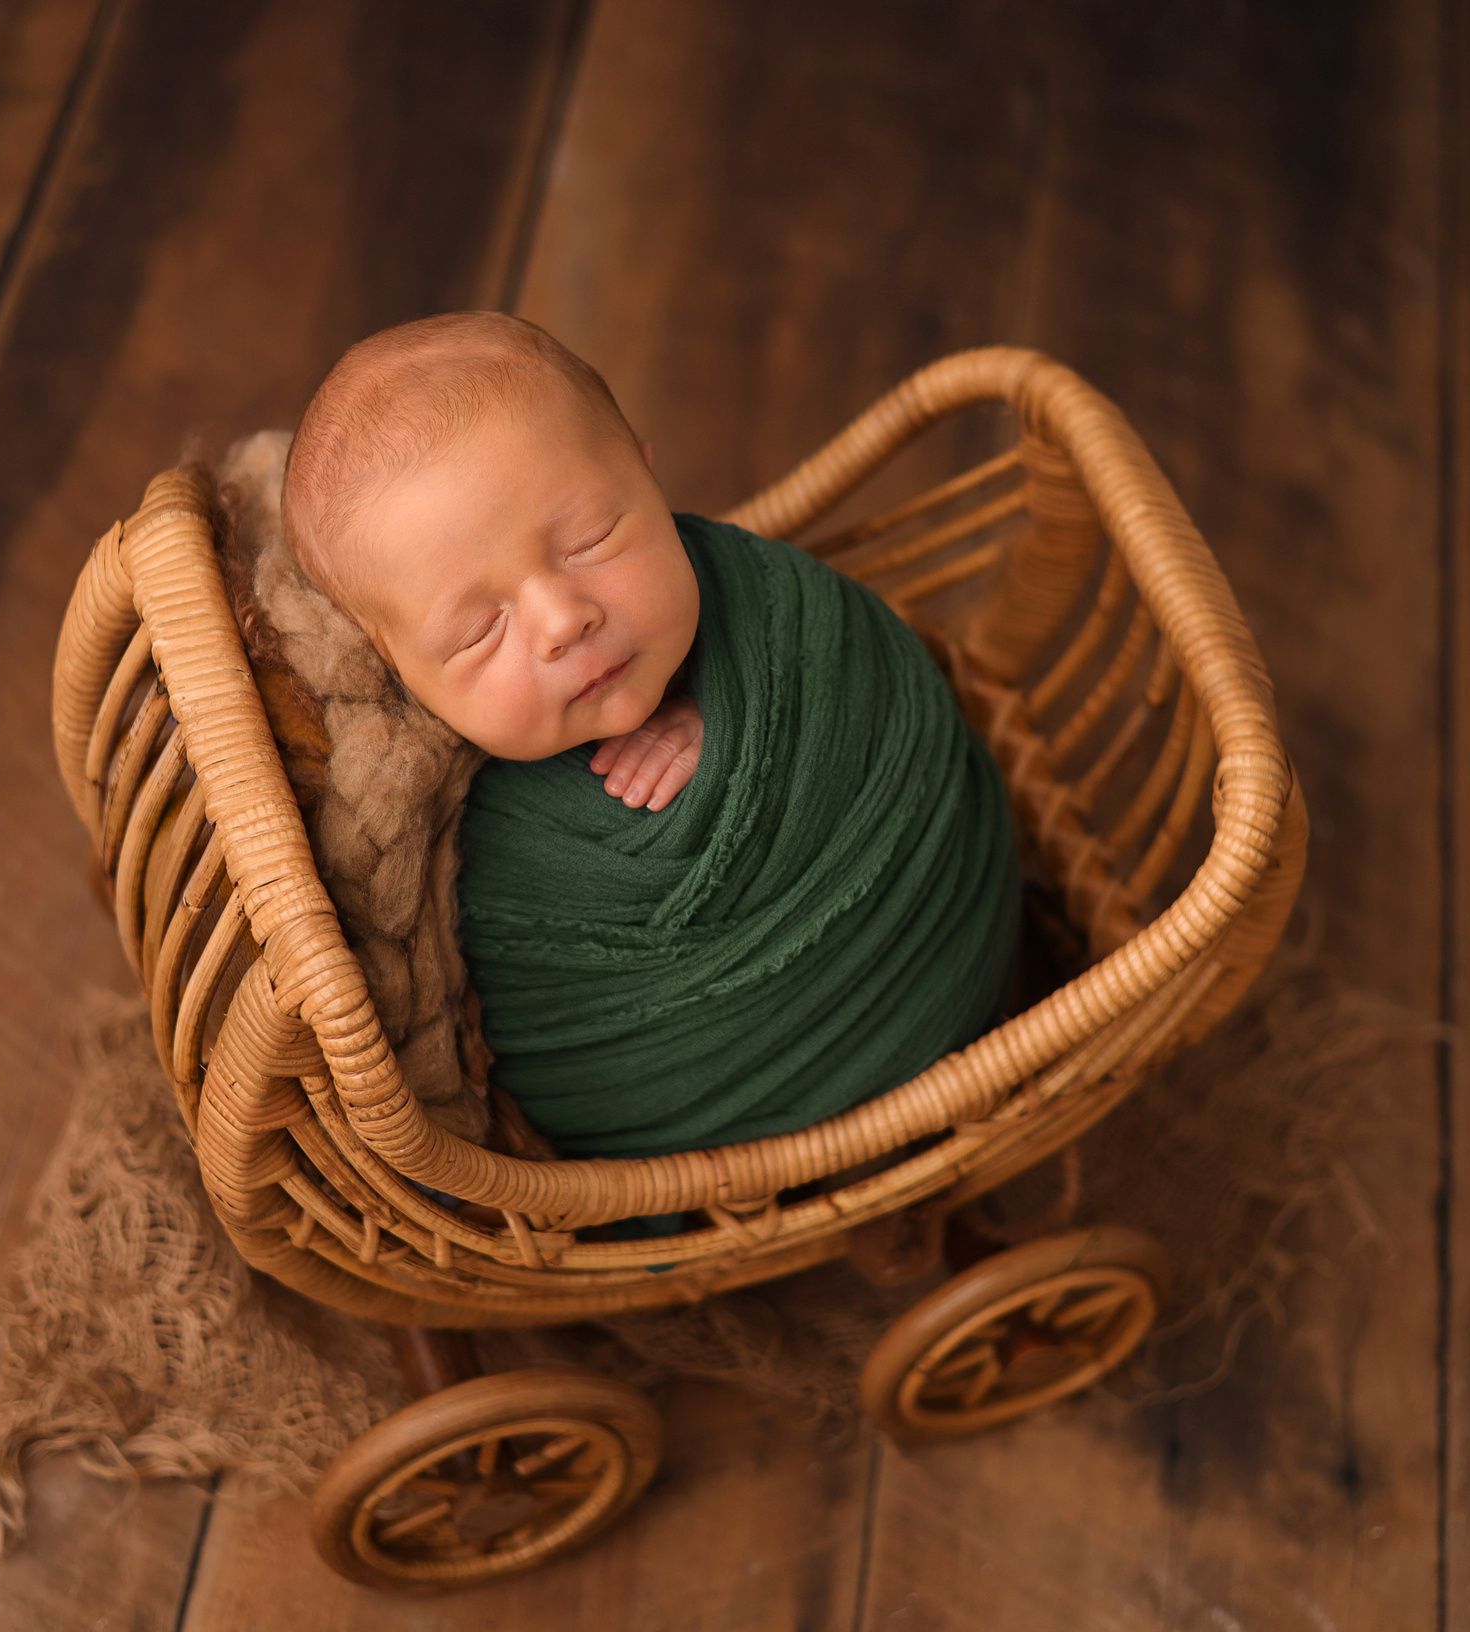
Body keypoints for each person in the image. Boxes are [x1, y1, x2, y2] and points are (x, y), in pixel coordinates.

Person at [281, 312, 1019, 1162]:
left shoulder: (770, 603)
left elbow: (858, 680)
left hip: (938, 950)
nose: (562, 620)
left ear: (644, 463)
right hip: (688, 1113)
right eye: (481, 630)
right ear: (396, 665)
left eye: (592, 540)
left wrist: (738, 731)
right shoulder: (418, 820)